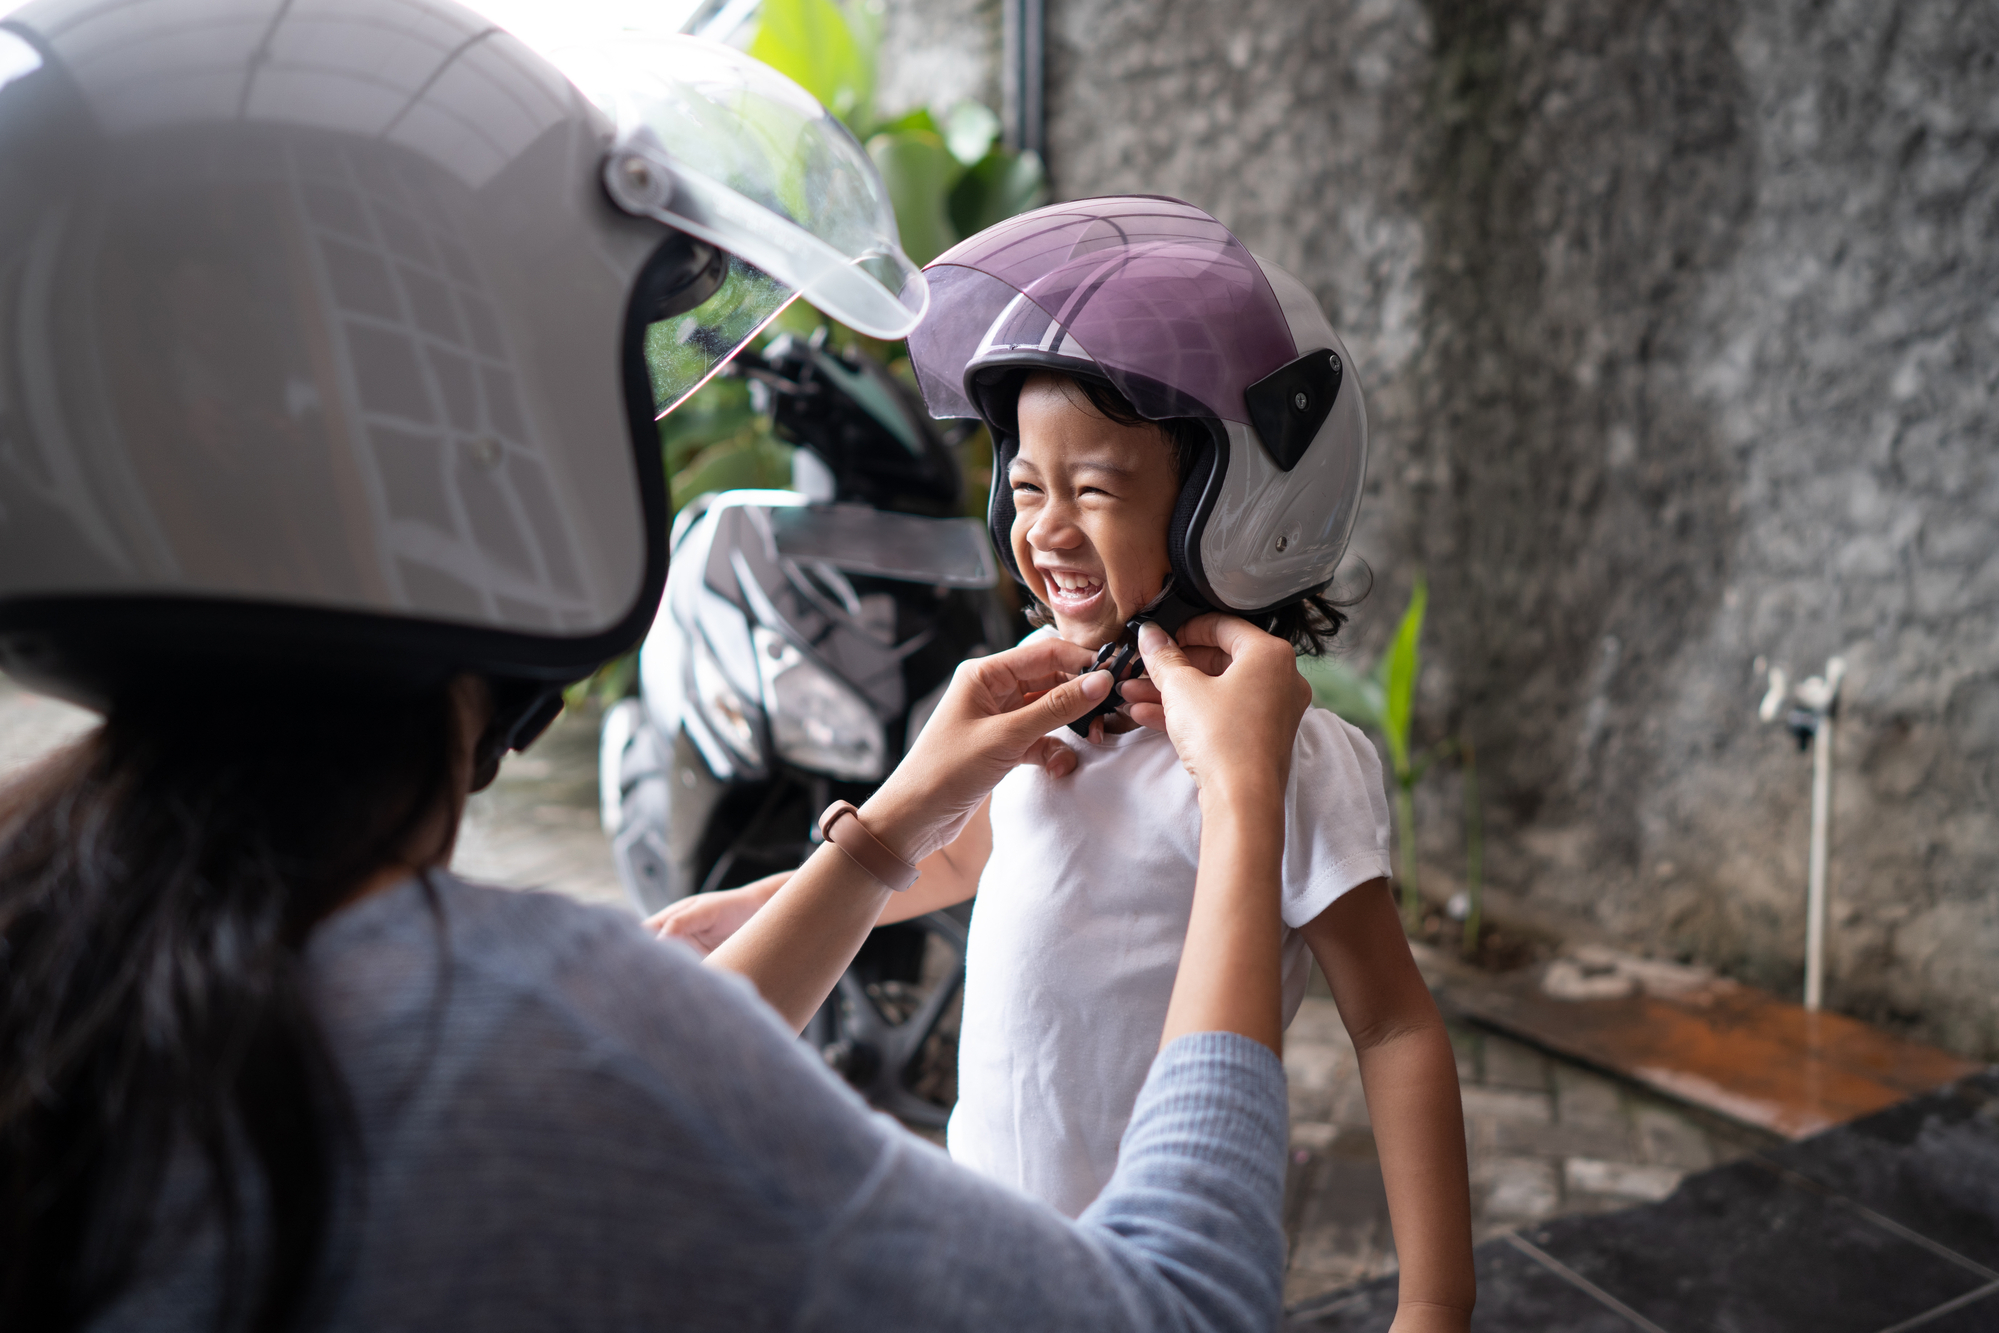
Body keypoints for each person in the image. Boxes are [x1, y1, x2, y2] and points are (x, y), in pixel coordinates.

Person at [0, 6, 1309, 1330]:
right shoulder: (551, 1040)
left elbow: (647, 1114)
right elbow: (1180, 1305)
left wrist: (872, 845)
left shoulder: (55, 923)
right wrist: (1244, 798)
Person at [657, 198, 1476, 1328]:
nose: (1041, 526)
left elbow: (1391, 1025)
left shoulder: (1285, 757)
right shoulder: (1046, 713)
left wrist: (1433, 1305)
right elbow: (958, 859)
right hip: (987, 1255)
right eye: (1026, 486)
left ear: (1232, 505)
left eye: (1090, 487)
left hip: (1158, 1272)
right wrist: (768, 901)